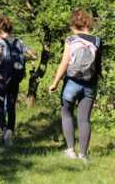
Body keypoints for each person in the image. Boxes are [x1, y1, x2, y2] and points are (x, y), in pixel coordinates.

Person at [48, 9, 102, 163]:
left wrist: (55, 82)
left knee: (66, 114)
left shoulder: (71, 39)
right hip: (90, 83)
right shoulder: (97, 40)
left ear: (74, 24)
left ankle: (70, 150)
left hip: (72, 82)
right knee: (84, 120)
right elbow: (97, 66)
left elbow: (65, 62)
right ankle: (83, 156)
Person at [0, 16, 38, 146]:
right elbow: (33, 56)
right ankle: (10, 132)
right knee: (11, 107)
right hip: (15, 80)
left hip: (1, 79)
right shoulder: (19, 42)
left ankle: (5, 130)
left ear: (0, 30)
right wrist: (29, 58)